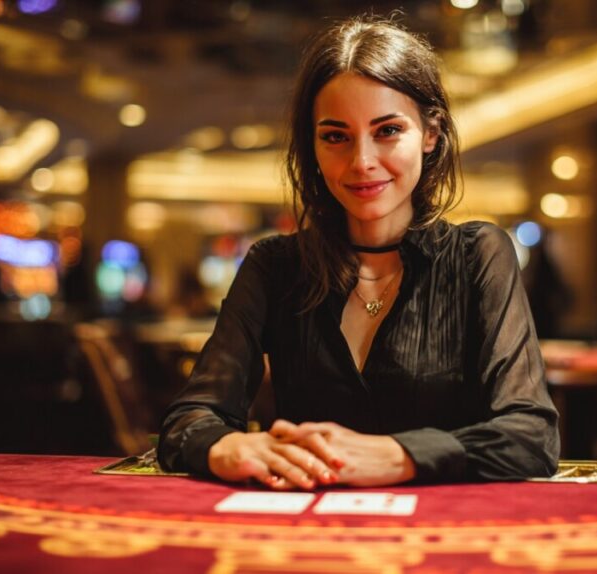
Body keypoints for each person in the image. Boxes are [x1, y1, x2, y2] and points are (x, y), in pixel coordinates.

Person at [158, 16, 559, 489]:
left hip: (443, 539)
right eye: (335, 136)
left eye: (387, 130)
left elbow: (531, 436)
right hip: (302, 533)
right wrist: (229, 445)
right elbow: (187, 422)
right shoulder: (274, 266)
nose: (362, 161)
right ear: (313, 146)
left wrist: (398, 456)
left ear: (430, 134)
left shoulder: (478, 255)